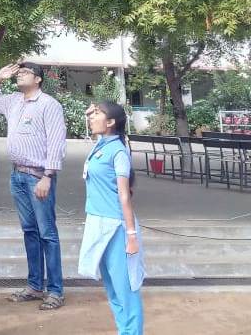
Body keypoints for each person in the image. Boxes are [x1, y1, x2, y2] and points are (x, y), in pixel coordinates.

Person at [0, 62, 67, 310]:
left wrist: (48, 176)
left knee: (47, 233)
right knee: (29, 231)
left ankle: (55, 290)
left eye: (25, 72)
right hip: (17, 175)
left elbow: (57, 141)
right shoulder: (13, 101)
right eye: (18, 73)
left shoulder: (49, 104)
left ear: (38, 79)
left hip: (39, 176)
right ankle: (34, 285)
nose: (20, 75)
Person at [78, 102, 145, 335]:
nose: (91, 117)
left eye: (97, 114)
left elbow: (124, 196)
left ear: (110, 122)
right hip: (97, 222)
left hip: (116, 226)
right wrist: (91, 112)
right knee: (112, 288)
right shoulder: (101, 145)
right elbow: (91, 123)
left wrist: (131, 236)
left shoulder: (118, 152)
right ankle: (123, 331)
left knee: (125, 288)